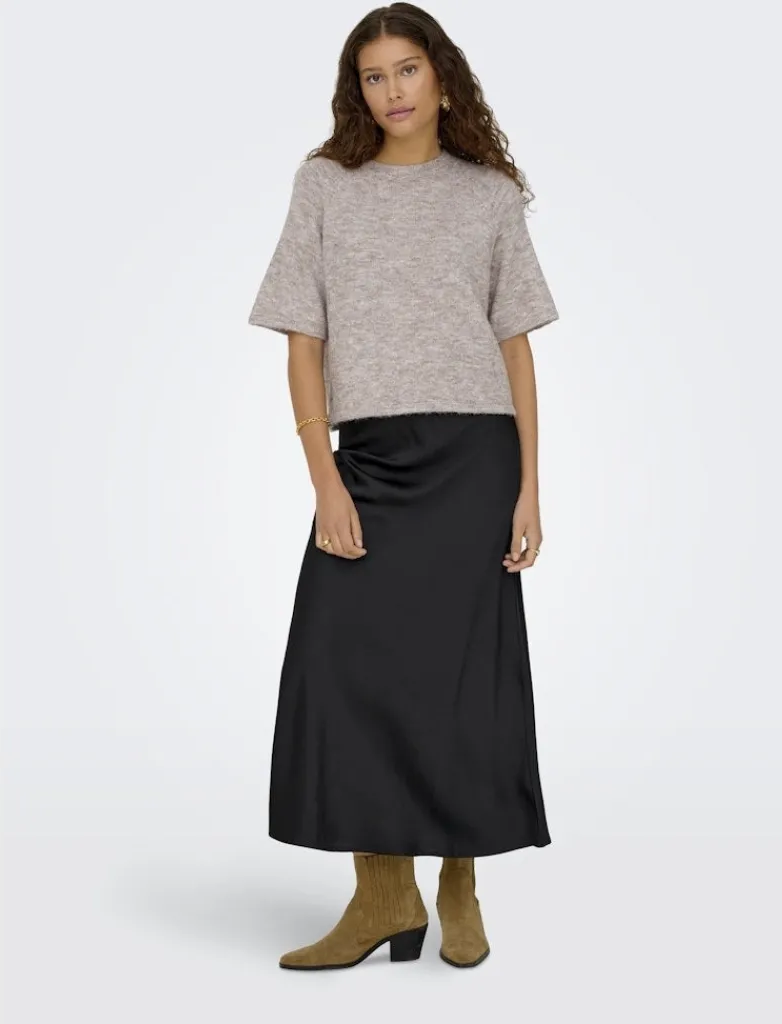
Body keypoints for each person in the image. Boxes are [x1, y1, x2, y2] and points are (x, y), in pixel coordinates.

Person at [247, 3, 559, 971]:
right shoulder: (324, 185)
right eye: (373, 75)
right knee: (344, 670)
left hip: (475, 460)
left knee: (460, 681)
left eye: (408, 69)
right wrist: (324, 479)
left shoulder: (489, 194)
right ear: (357, 90)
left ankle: (458, 880)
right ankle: (383, 896)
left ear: (442, 77)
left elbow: (515, 348)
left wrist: (529, 487)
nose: (392, 91)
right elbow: (303, 342)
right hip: (370, 459)